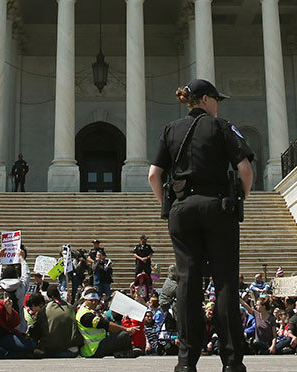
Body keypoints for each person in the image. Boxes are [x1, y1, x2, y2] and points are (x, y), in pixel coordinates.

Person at [148, 79, 254, 372]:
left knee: (187, 284)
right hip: (217, 207)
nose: (218, 104)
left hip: (181, 211)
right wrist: (239, 200)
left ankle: (186, 362)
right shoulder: (221, 127)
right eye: (216, 99)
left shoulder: (170, 129)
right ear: (206, 100)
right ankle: (231, 362)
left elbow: (153, 175)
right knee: (224, 284)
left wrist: (167, 206)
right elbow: (245, 169)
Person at [75, 287, 138, 358]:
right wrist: (126, 329)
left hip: (97, 345)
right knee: (123, 335)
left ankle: (121, 352)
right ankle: (126, 353)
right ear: (85, 300)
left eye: (96, 300)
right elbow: (106, 325)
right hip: (93, 349)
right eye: (91, 300)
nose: (94, 303)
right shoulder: (85, 315)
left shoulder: (89, 310)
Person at [29, 285, 82, 357]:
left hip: (52, 350)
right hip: (72, 350)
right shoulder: (70, 307)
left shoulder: (44, 310)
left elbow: (37, 332)